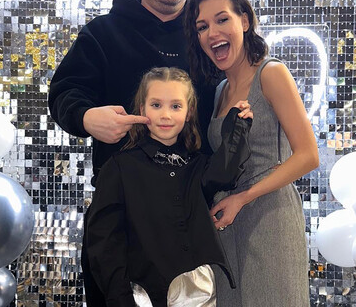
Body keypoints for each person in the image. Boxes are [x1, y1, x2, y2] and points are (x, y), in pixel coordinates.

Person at [47, 0, 217, 306]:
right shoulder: (103, 33)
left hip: (193, 216)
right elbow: (64, 92)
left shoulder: (206, 37)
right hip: (122, 218)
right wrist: (88, 118)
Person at [183, 0, 319, 306]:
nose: (212, 32)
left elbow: (308, 156)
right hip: (227, 223)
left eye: (222, 19)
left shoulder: (271, 73)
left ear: (244, 21)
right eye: (202, 27)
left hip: (270, 217)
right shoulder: (220, 91)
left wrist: (243, 198)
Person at [86, 67, 253, 307]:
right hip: (141, 293)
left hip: (197, 293)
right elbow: (104, 243)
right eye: (156, 105)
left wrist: (238, 126)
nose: (165, 115)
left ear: (189, 112)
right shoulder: (119, 168)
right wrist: (121, 299)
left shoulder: (198, 165)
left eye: (175, 106)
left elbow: (225, 173)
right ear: (142, 109)